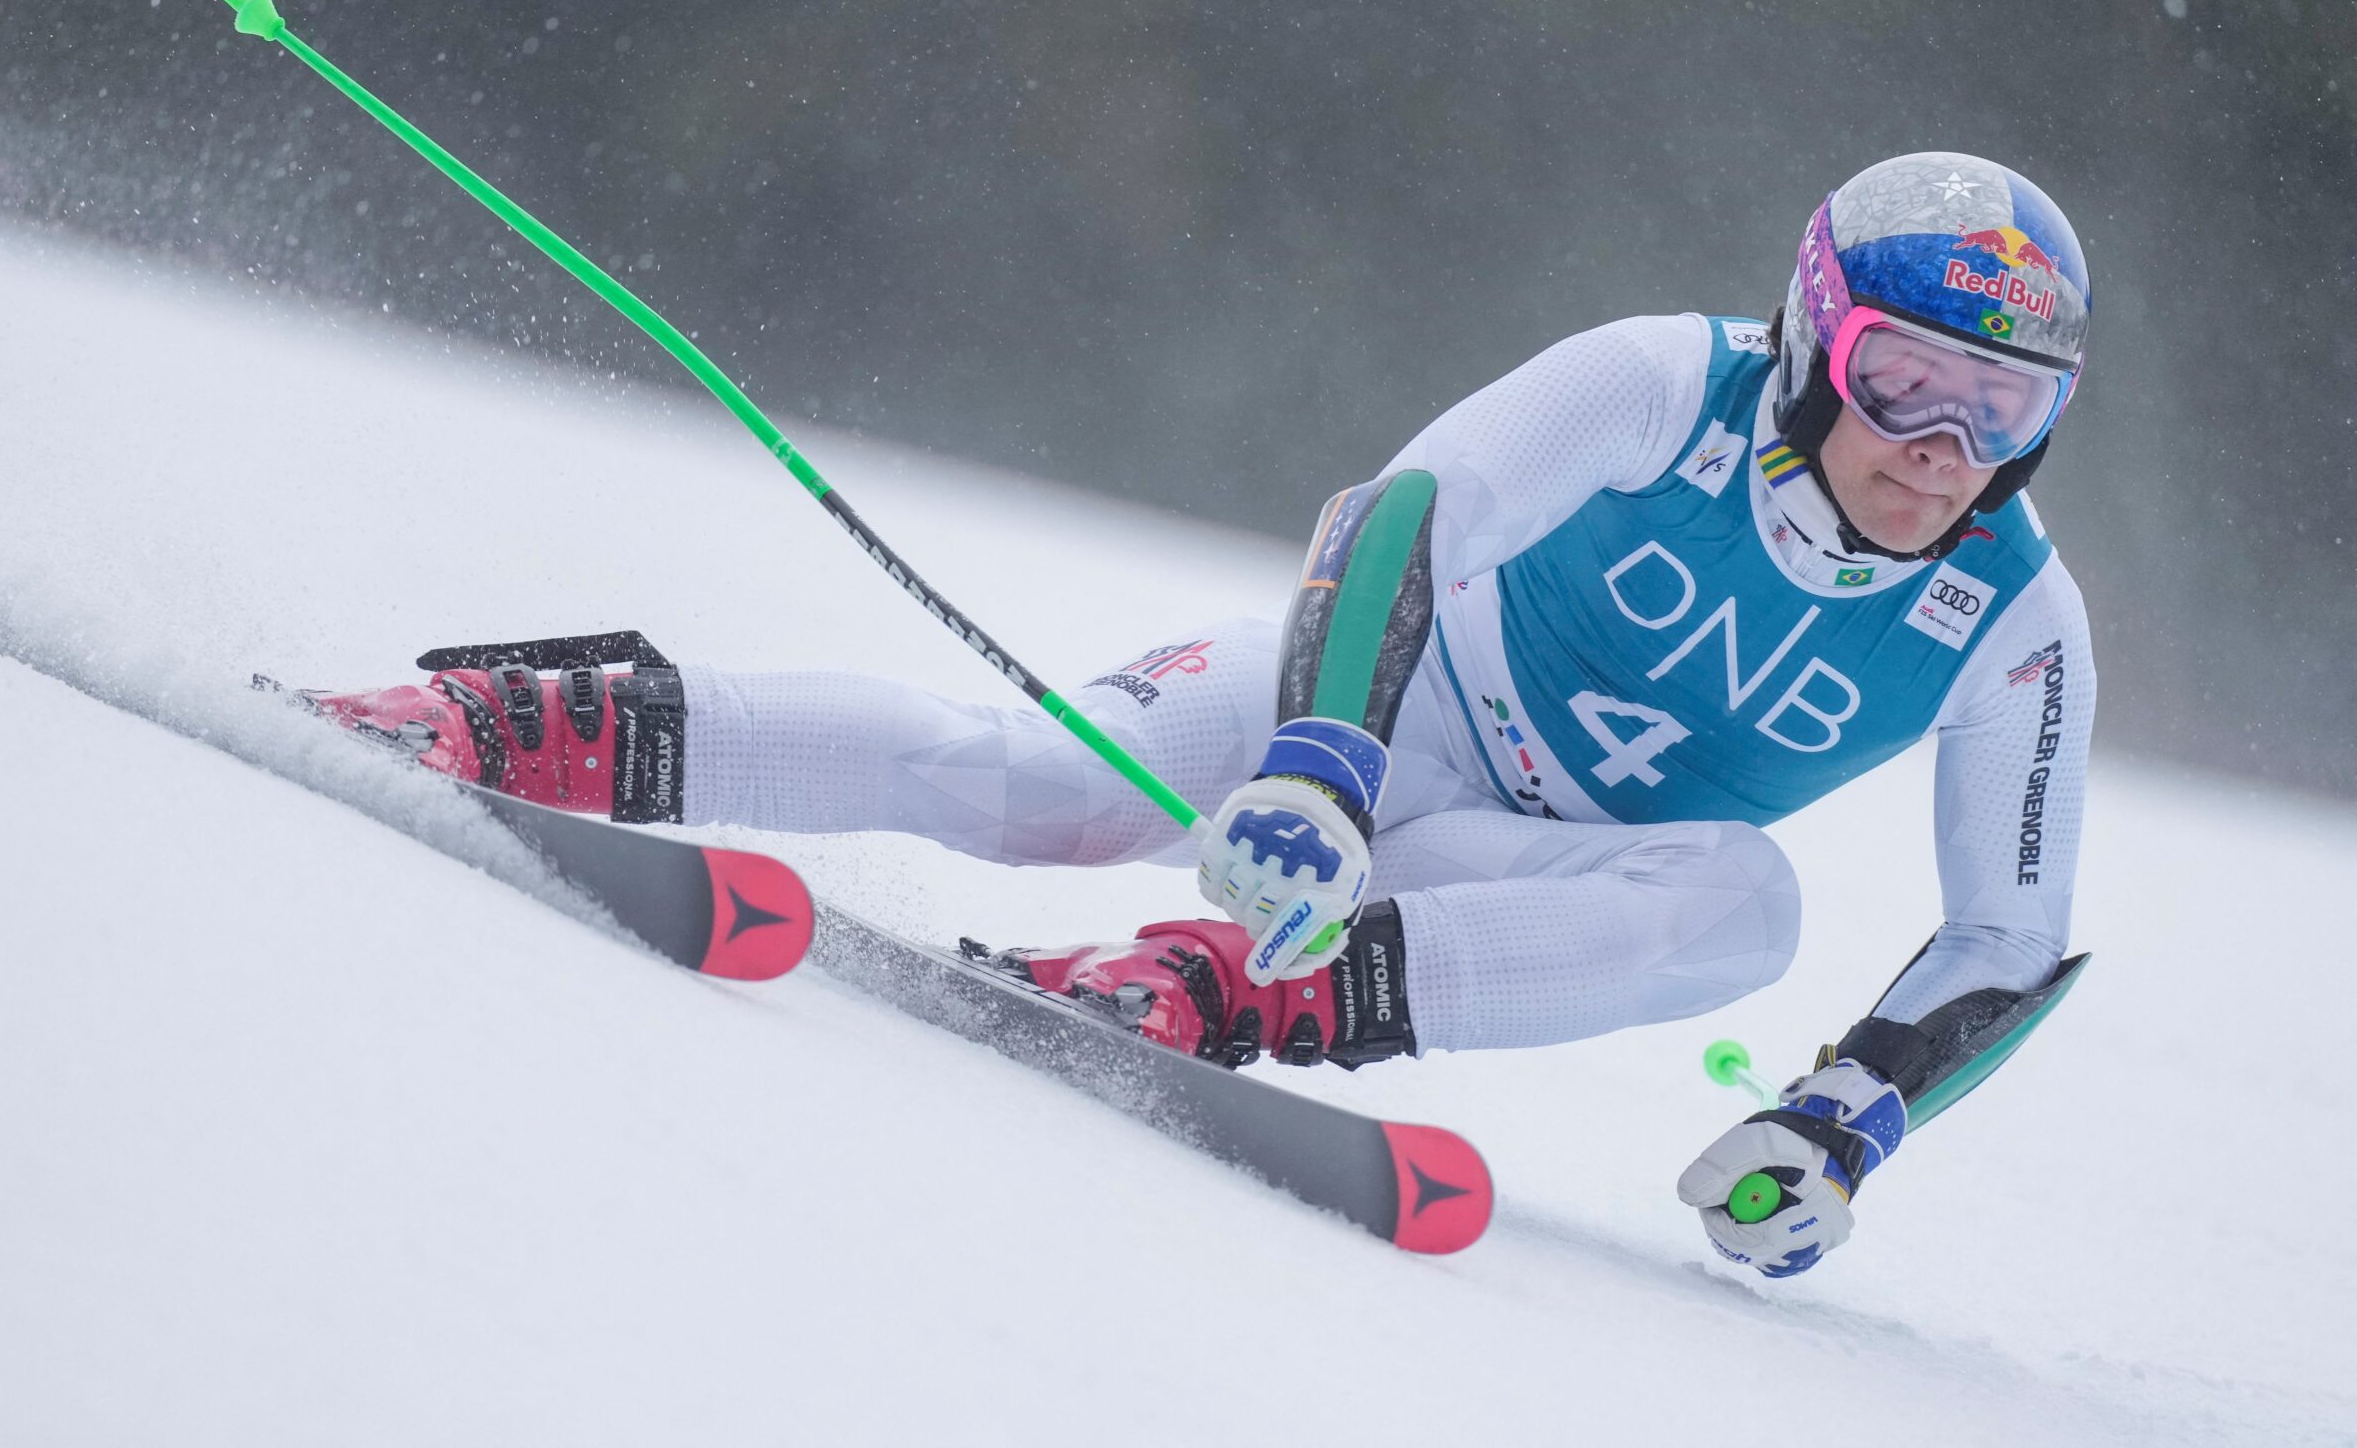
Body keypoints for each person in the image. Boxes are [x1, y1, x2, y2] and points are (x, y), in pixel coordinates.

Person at [311, 152, 2096, 1278]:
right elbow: (1399, 520)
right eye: (1902, 380)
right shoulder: (1663, 383)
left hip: (1501, 863)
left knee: (1748, 909)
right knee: (1021, 781)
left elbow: (2010, 927)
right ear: (1812, 334)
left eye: (1997, 409)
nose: (1939, 451)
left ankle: (1226, 988)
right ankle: (521, 724)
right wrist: (1323, 763)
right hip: (1378, 711)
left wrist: (1838, 1126)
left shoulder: (2014, 618)